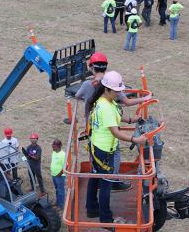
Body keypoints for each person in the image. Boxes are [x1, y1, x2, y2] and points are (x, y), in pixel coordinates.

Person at [75, 52, 151, 191]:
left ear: (91, 67)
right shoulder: (110, 86)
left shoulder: (88, 85)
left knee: (96, 160)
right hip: (106, 134)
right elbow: (126, 102)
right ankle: (111, 181)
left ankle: (101, 182)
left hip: (93, 130)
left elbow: (77, 95)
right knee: (113, 156)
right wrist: (144, 99)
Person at [85, 71, 148, 223]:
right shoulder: (105, 107)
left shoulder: (105, 101)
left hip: (97, 148)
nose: (119, 93)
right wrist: (136, 139)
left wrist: (132, 119)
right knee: (106, 184)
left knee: (94, 178)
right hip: (104, 151)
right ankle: (106, 218)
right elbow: (116, 133)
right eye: (117, 91)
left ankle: (92, 208)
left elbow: (117, 116)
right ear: (107, 89)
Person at [50, 139, 66, 209]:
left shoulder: (63, 154)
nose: (52, 148)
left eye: (54, 147)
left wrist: (60, 174)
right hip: (53, 175)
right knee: (57, 189)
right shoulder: (54, 152)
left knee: (60, 191)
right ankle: (57, 202)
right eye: (52, 146)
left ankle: (61, 205)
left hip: (60, 176)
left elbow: (66, 166)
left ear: (59, 146)